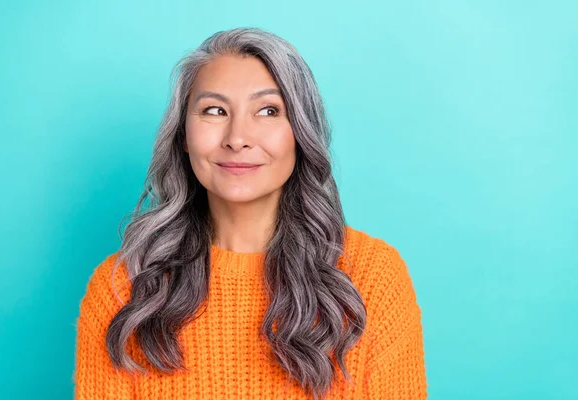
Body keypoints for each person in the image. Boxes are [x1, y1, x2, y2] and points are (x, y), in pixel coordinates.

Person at [73, 27, 428, 400]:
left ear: (301, 133)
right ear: (182, 136)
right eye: (214, 110)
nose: (237, 137)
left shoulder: (371, 279)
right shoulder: (124, 291)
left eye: (268, 110)